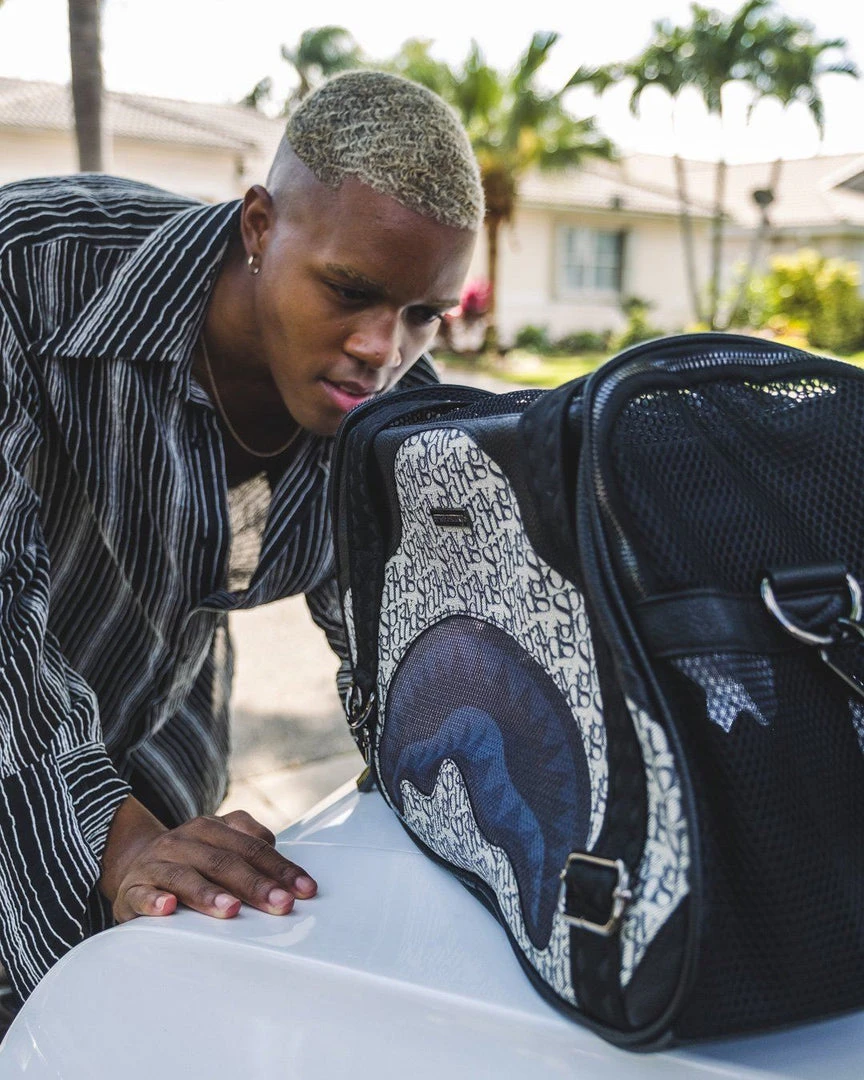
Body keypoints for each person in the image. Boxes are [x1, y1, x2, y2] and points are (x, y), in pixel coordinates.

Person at [0, 69, 483, 1010]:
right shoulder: (29, 271)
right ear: (259, 225)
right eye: (350, 289)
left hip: (159, 731)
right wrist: (114, 840)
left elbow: (416, 662)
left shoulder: (398, 419)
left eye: (425, 314)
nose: (383, 350)